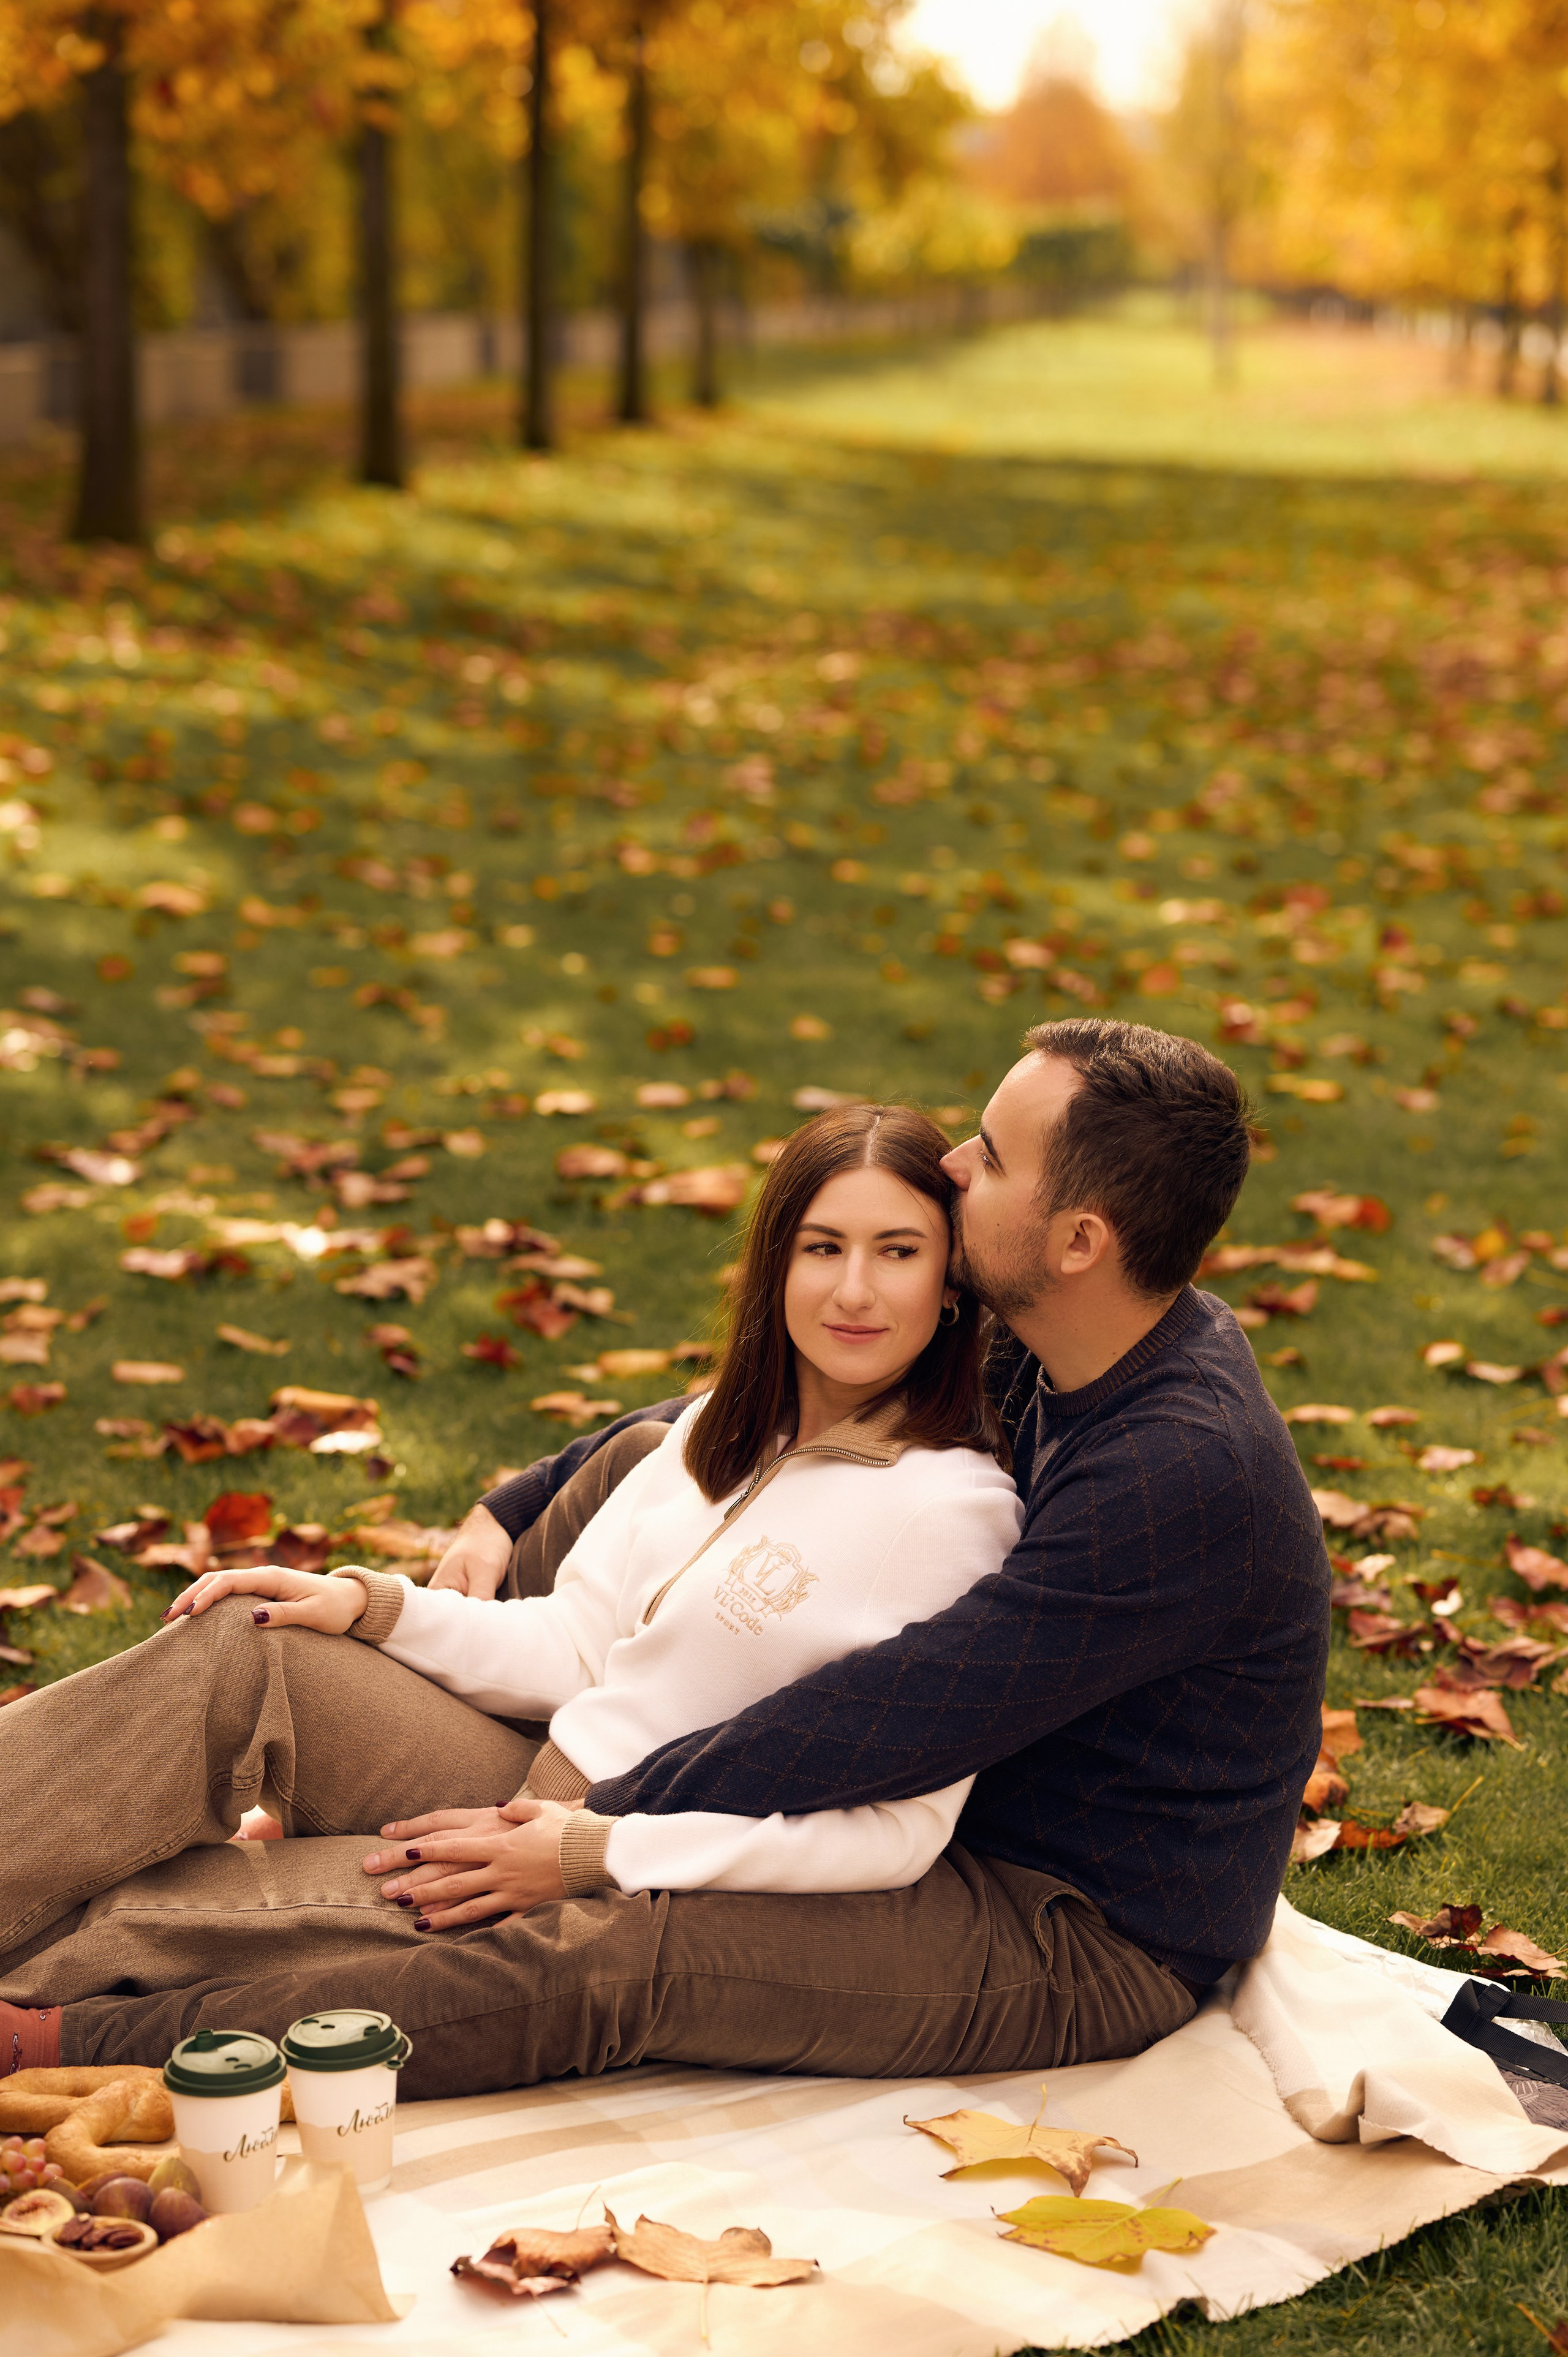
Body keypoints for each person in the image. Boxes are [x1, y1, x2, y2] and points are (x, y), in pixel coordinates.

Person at [1, 1018, 1330, 2100]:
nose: (954, 1162)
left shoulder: (1175, 1480)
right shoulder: (1057, 1329)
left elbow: (890, 1725)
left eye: (989, 1154)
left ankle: (65, 2043)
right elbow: (735, 1411)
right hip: (819, 1785)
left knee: (614, 1948)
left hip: (1062, 1914)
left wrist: (601, 1834)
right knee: (255, 1655)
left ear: (1081, 1238)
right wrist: (497, 1519)